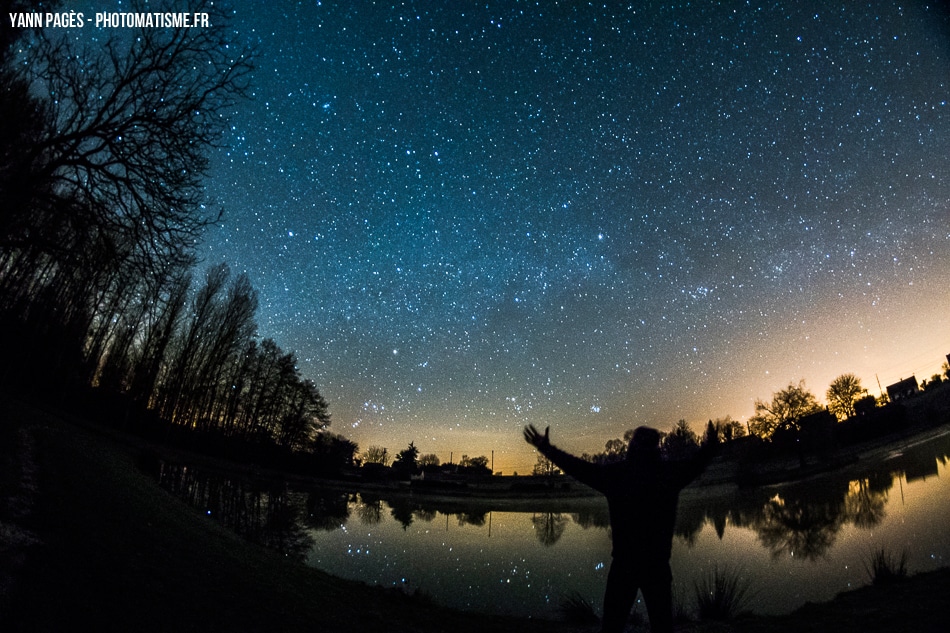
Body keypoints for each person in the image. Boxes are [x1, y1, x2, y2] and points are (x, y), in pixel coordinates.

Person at [523, 422, 718, 633]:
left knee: (612, 626)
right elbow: (698, 463)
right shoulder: (668, 474)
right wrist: (711, 446)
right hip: (657, 565)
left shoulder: (617, 476)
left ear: (631, 446)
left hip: (624, 566)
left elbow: (579, 469)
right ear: (656, 448)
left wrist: (547, 448)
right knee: (662, 626)